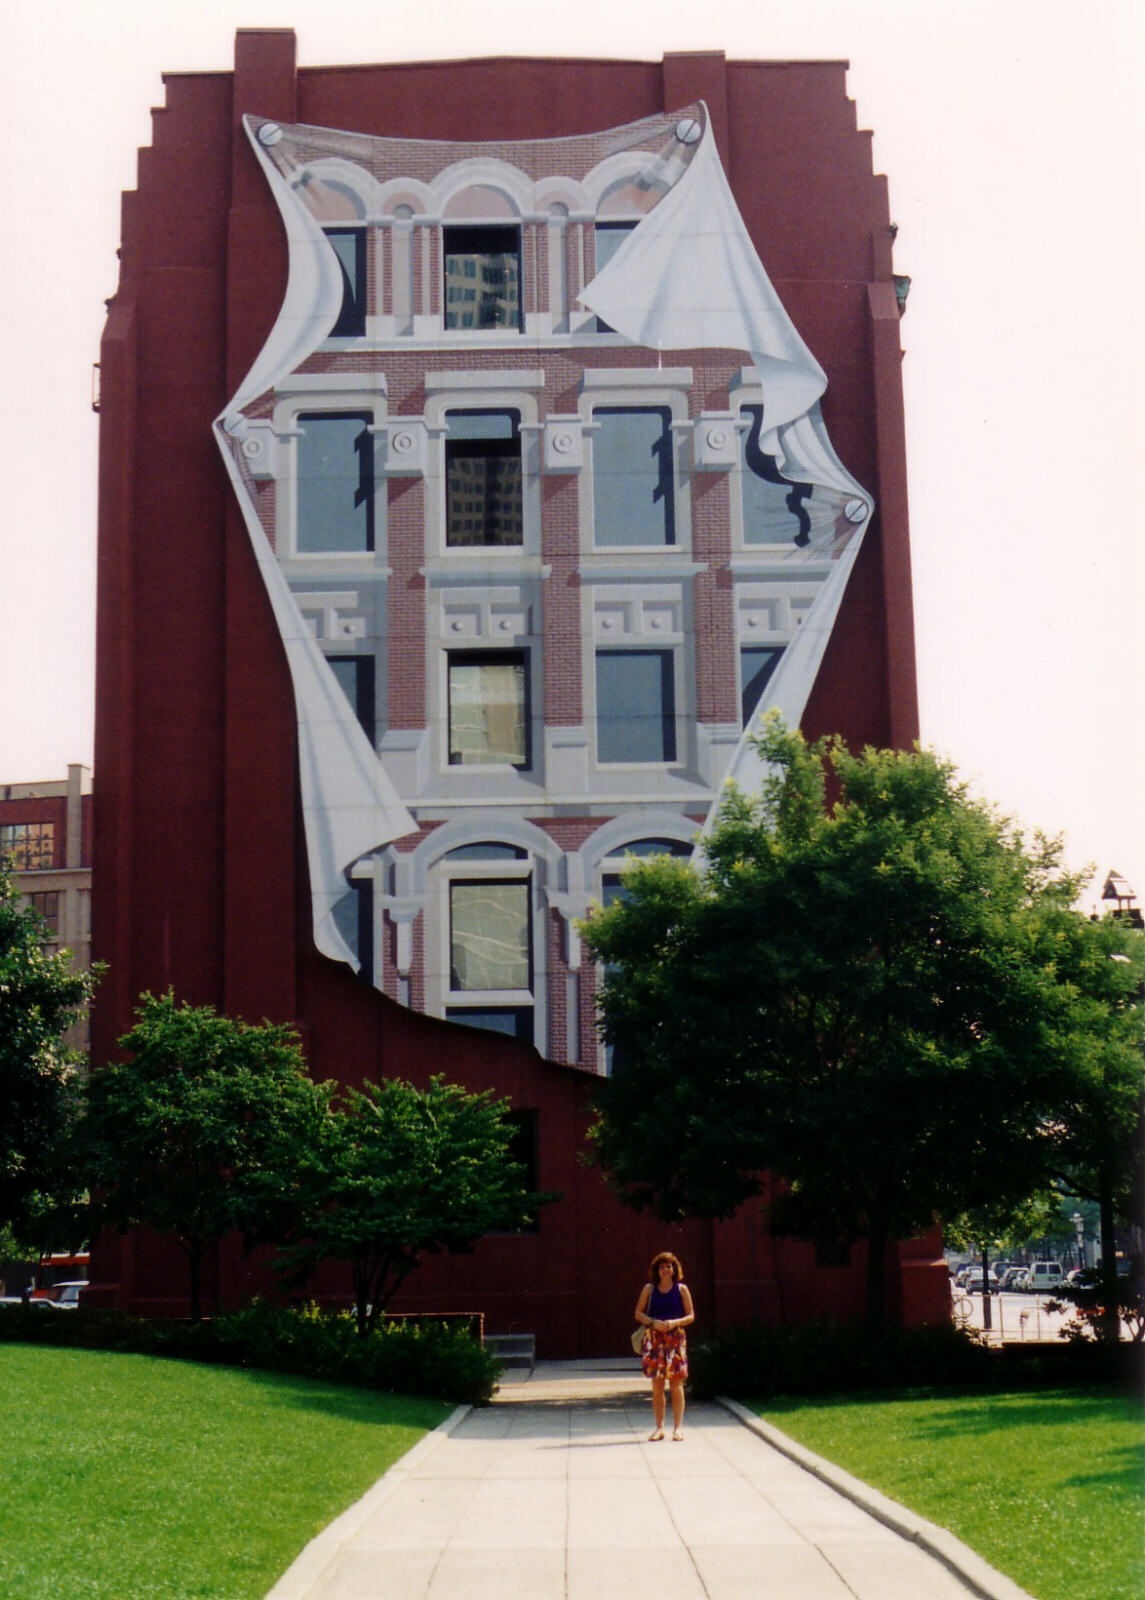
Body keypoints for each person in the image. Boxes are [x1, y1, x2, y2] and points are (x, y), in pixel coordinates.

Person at [634, 1250, 694, 1441]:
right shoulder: (649, 1289)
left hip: (675, 1338)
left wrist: (675, 1323)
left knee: (676, 1383)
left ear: (674, 1269)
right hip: (655, 1339)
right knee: (657, 1384)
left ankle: (678, 1428)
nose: (666, 1270)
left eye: (669, 1266)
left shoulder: (681, 1289)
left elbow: (691, 1316)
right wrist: (653, 1322)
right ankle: (659, 1427)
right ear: (657, 1270)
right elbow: (638, 1313)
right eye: (662, 1267)